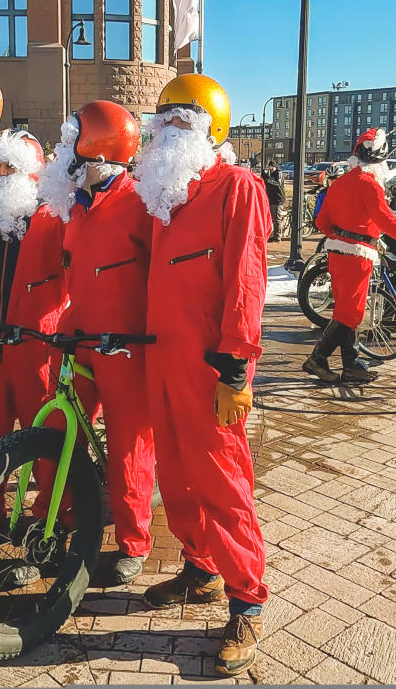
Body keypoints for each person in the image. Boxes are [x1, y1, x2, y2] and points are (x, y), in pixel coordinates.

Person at [133, 74, 270, 676]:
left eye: (183, 121)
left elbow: (245, 280)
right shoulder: (165, 193)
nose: (169, 131)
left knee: (222, 480)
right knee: (177, 473)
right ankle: (200, 569)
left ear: (213, 130)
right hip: (162, 362)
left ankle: (247, 598)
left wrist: (236, 366)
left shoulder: (237, 187)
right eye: (164, 120)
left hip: (212, 367)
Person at [38, 100, 156, 584]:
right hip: (80, 337)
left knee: (130, 443)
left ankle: (134, 540)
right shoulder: (75, 207)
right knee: (60, 429)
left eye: (71, 145)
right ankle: (55, 520)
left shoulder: (140, 203)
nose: (62, 156)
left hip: (126, 347)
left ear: (97, 152)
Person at [0, 129, 67, 481]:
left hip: (36, 349)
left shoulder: (54, 220)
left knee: (45, 441)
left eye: (11, 167)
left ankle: (56, 516)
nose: (1, 174)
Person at [304, 127, 396, 385]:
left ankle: (351, 365)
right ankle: (318, 358)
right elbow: (387, 221)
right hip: (357, 255)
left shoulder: (341, 182)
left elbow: (322, 222)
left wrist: (343, 232)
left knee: (346, 309)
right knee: (351, 312)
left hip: (338, 252)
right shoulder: (369, 184)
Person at [263, 161, 285, 242]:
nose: (270, 169)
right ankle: (274, 235)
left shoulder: (279, 173)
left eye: (271, 167)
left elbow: (277, 183)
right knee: (272, 218)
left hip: (278, 199)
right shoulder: (270, 174)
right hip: (271, 199)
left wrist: (268, 179)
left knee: (277, 219)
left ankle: (278, 236)